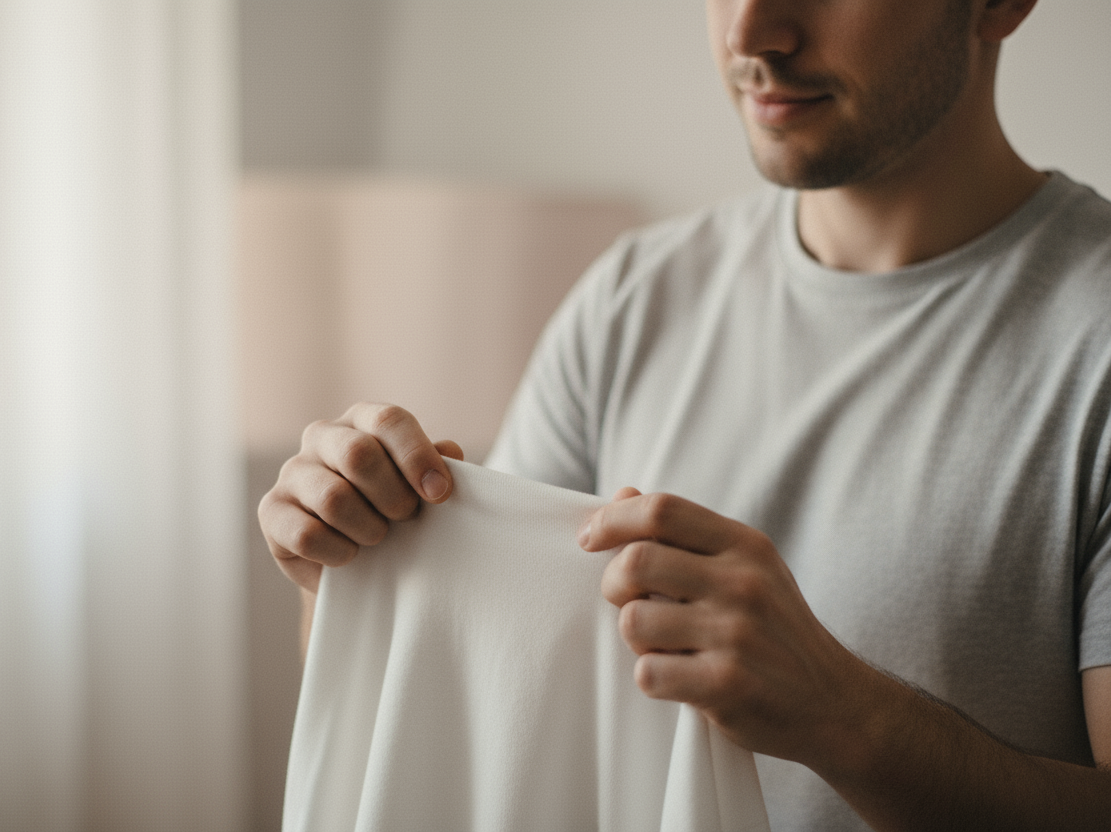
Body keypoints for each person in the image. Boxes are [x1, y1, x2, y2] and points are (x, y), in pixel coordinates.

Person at [259, 0, 1111, 828]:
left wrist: (843, 717)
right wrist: (359, 569)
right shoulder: (629, 300)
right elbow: (469, 704)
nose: (750, 31)